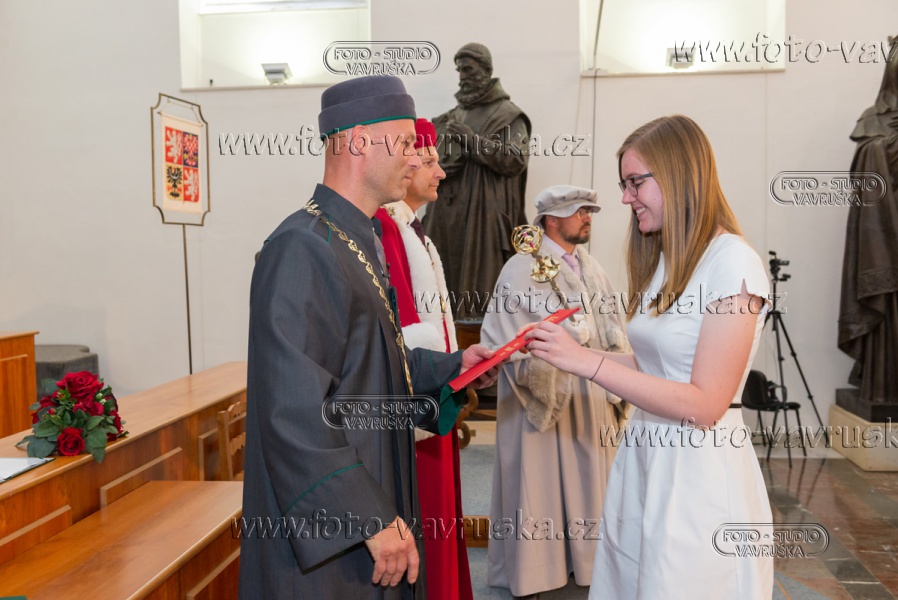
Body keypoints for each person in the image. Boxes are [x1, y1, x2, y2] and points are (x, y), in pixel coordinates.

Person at [240, 75, 498, 600]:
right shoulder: (301, 247)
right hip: (331, 545)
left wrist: (455, 367)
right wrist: (368, 515)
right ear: (358, 141)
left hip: (372, 492)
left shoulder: (357, 238)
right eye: (404, 142)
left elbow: (376, 361)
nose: (414, 157)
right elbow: (292, 409)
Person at [525, 115, 774, 599]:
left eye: (635, 182)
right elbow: (651, 368)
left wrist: (587, 363)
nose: (625, 198)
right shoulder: (669, 259)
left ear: (679, 174)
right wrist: (567, 353)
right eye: (625, 184)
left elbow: (706, 404)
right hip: (647, 452)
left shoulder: (733, 263)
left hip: (698, 468)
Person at [481, 185, 629, 599]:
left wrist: (611, 362)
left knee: (589, 482)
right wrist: (557, 347)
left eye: (589, 211)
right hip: (544, 402)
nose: (587, 217)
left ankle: (586, 564)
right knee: (540, 485)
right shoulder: (520, 268)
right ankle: (539, 572)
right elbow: (501, 340)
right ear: (551, 219)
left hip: (591, 393)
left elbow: (613, 325)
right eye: (579, 211)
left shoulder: (591, 267)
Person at [373, 117, 474, 600]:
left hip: (435, 389)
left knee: (443, 511)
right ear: (406, 165)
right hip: (418, 402)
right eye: (430, 161)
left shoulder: (418, 235)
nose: (441, 172)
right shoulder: (387, 228)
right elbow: (404, 332)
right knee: (429, 511)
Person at [423, 42, 531, 320]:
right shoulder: (449, 118)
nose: (462, 76)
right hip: (444, 217)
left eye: (468, 69)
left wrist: (471, 141)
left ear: (485, 70)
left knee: (480, 299)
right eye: (459, 70)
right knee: (439, 291)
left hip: (482, 219)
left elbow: (515, 159)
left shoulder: (508, 115)